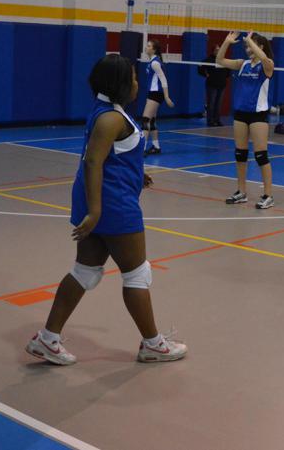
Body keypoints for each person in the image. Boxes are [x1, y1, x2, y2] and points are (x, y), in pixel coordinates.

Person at [26, 54, 186, 365]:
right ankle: (153, 344)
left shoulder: (108, 111)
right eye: (133, 78)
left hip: (103, 200)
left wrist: (137, 173)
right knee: (137, 274)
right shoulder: (111, 118)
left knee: (85, 271)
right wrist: (96, 211)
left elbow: (112, 156)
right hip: (113, 205)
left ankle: (47, 338)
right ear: (121, 84)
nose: (137, 83)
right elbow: (93, 162)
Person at [216, 31, 276, 209]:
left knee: (261, 156)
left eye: (251, 46)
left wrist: (250, 40)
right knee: (240, 154)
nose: (248, 49)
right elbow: (219, 60)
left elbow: (263, 58)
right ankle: (241, 192)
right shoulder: (243, 64)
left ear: (260, 46)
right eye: (246, 46)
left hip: (258, 115)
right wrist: (227, 42)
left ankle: (268, 195)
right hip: (241, 114)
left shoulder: (267, 64)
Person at [141, 40, 174, 156]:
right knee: (152, 120)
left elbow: (163, 80)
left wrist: (167, 97)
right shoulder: (152, 61)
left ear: (154, 49)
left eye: (149, 46)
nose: (146, 47)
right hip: (153, 93)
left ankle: (142, 149)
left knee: (145, 120)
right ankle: (156, 147)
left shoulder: (155, 63)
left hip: (155, 94)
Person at [198, 45, 230, 127]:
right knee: (211, 103)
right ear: (213, 51)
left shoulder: (224, 60)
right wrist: (205, 74)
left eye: (219, 50)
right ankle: (210, 121)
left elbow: (228, 70)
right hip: (211, 85)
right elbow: (200, 68)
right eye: (216, 50)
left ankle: (217, 120)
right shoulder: (208, 60)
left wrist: (225, 77)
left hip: (221, 85)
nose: (218, 51)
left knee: (218, 104)